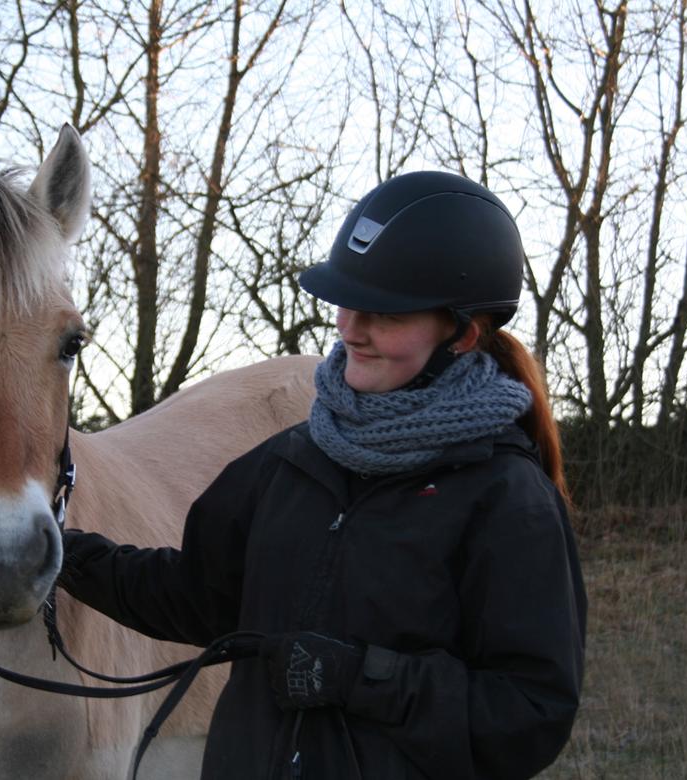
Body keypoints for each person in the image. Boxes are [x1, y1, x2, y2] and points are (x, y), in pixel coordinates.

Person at [59, 171, 587, 779]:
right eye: (347, 301)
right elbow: (195, 596)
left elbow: (530, 712)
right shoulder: (292, 459)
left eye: (384, 312)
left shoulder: (506, 499)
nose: (351, 328)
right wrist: (66, 557)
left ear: (464, 333)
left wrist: (360, 676)